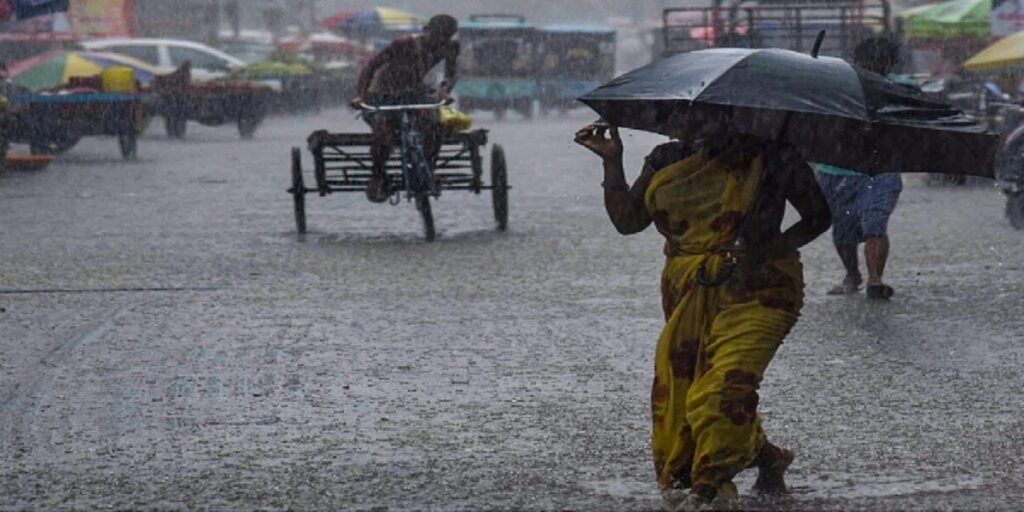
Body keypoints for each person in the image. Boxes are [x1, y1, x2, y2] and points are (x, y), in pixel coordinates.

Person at [574, 112, 831, 509]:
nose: (697, 129)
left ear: (735, 118)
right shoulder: (666, 160)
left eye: (710, 118)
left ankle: (707, 487)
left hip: (763, 288)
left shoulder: (774, 156)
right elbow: (628, 221)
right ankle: (768, 456)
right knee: (701, 387)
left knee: (723, 387)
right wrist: (612, 161)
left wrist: (758, 250)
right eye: (688, 119)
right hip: (690, 289)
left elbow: (818, 217)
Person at [816, 37, 907, 300]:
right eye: (871, 62)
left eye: (882, 62)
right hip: (836, 172)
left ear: (891, 64)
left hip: (882, 171)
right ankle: (852, 273)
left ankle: (875, 279)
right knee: (843, 230)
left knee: (874, 223)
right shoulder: (836, 89)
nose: (876, 67)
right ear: (858, 61)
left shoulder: (901, 90)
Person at [351, 14, 460, 202]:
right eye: (436, 36)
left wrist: (444, 91)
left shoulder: (450, 48)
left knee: (434, 126)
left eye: (444, 37)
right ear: (428, 30)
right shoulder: (403, 44)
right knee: (383, 132)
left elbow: (450, 75)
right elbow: (370, 68)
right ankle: (377, 176)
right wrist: (361, 96)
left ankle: (429, 169)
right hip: (382, 96)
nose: (439, 41)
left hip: (414, 94)